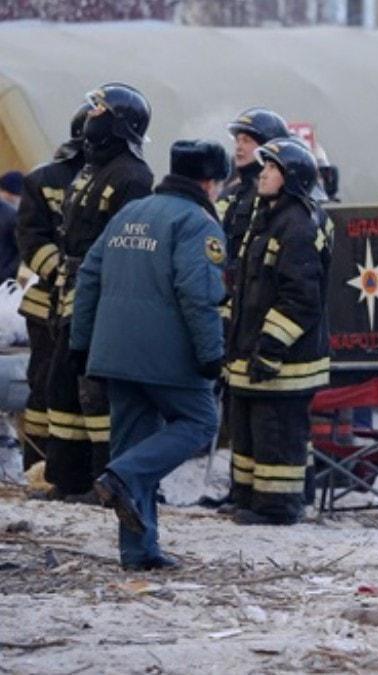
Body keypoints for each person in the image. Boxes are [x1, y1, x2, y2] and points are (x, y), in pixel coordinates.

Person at [71, 140, 228, 570]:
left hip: (113, 352)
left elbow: (88, 276)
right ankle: (122, 477)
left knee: (134, 441)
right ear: (211, 182)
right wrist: (211, 355)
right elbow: (198, 294)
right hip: (166, 357)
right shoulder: (198, 223)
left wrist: (81, 344)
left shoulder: (130, 213)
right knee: (199, 421)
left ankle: (139, 552)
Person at [44, 83, 154, 501]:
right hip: (70, 292)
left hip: (102, 297)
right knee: (63, 387)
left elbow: (125, 247)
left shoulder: (132, 176)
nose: (91, 116)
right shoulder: (91, 168)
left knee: (97, 392)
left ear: (120, 122)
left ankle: (105, 480)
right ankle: (67, 477)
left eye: (100, 110)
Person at [224, 138, 331, 526]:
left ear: (292, 179)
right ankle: (250, 499)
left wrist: (270, 346)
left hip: (285, 360)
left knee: (277, 432)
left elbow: (301, 298)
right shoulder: (267, 216)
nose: (262, 173)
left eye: (272, 169)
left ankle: (277, 507)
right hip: (252, 350)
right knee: (251, 431)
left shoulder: (297, 224)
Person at [14, 105, 89, 472]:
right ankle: (38, 464)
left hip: (87, 305)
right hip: (46, 305)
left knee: (80, 390)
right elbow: (30, 240)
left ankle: (73, 467)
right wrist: (62, 275)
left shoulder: (112, 178)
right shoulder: (43, 179)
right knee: (44, 387)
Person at [217, 108, 290, 295]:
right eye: (237, 140)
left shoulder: (280, 199)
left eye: (247, 141)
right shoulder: (231, 193)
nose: (239, 147)